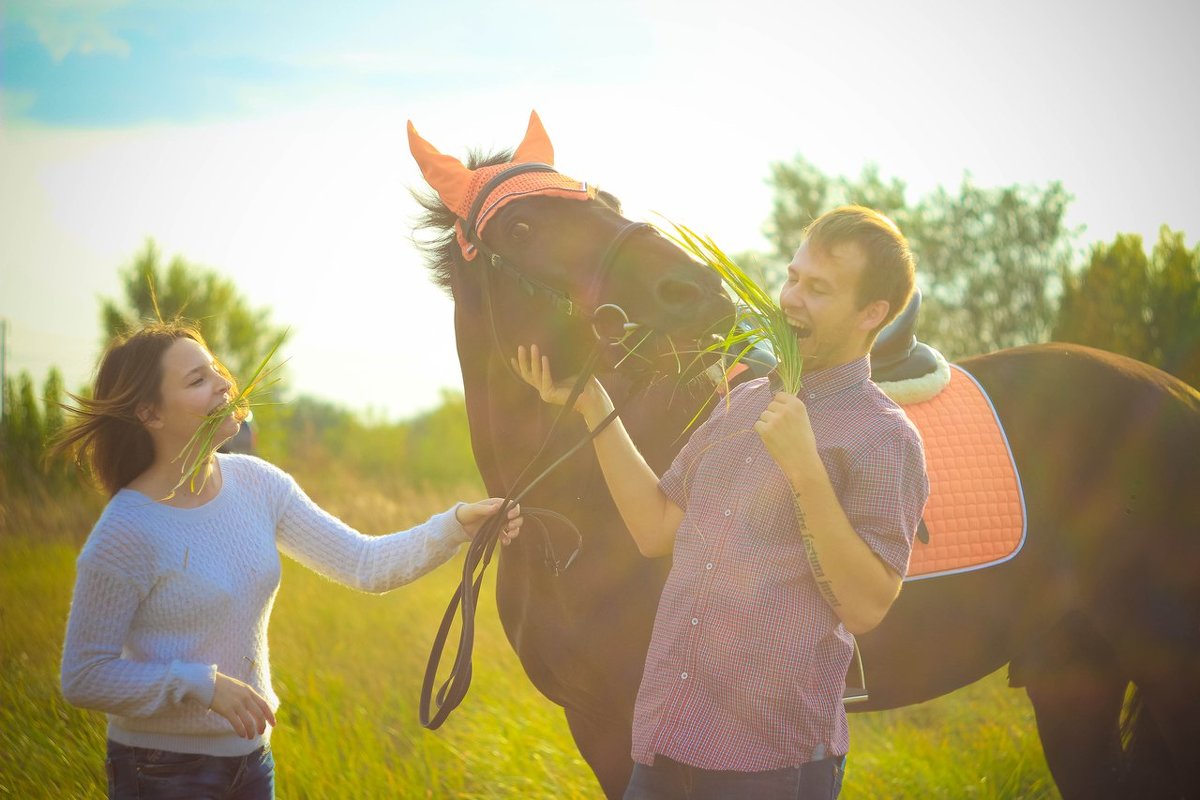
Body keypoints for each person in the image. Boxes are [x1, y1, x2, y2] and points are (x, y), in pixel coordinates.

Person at [515, 205, 929, 800]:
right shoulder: (740, 404)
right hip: (664, 742)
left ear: (873, 314)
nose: (790, 299)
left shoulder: (884, 436)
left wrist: (805, 469)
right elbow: (655, 528)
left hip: (769, 768)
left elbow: (867, 607)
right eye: (793, 277)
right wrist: (592, 406)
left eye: (818, 289)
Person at [56, 321, 522, 800]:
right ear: (150, 414)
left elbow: (363, 563)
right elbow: (84, 676)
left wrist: (456, 527)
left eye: (215, 368)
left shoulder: (259, 485)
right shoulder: (127, 529)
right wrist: (199, 685)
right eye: (197, 380)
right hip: (162, 769)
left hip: (252, 760)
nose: (223, 382)